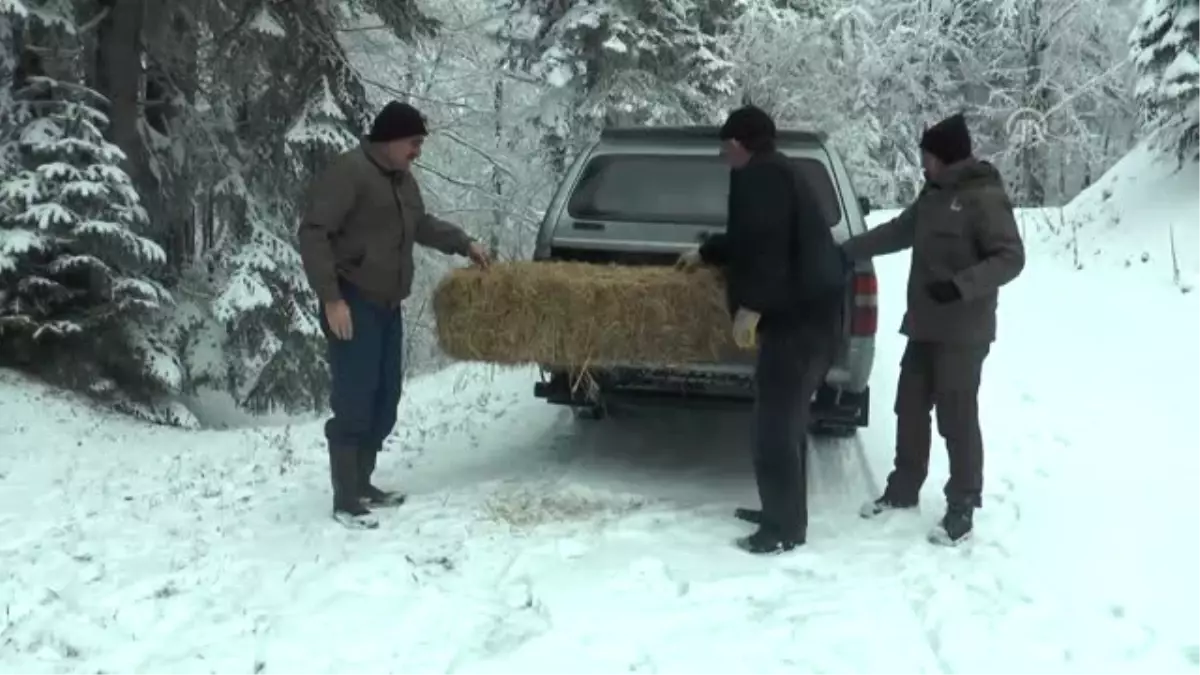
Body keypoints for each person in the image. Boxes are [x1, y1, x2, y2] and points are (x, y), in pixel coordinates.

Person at [298, 101, 491, 529]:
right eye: (414, 142)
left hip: (388, 305)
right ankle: (346, 498)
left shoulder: (402, 180)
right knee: (354, 401)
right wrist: (332, 300)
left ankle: (363, 483)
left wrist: (464, 242)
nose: (418, 151)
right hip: (353, 302)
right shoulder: (350, 173)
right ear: (389, 139)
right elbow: (314, 233)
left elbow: (420, 225)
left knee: (385, 402)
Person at [841, 112, 1024, 546]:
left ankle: (962, 504)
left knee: (956, 417)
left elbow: (1010, 258)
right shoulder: (934, 195)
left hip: (964, 331)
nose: (922, 163)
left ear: (945, 157)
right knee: (909, 406)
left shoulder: (983, 197)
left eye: (927, 155)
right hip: (924, 325)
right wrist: (843, 251)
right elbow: (898, 232)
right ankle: (904, 489)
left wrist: (960, 287)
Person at [676, 105, 847, 555]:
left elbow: (768, 252)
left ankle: (783, 528)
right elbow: (751, 238)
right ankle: (781, 510)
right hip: (808, 317)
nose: (722, 154)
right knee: (782, 423)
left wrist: (751, 307)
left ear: (738, 143)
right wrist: (708, 252)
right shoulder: (773, 170)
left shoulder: (764, 177)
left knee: (774, 426)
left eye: (724, 146)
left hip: (799, 322)